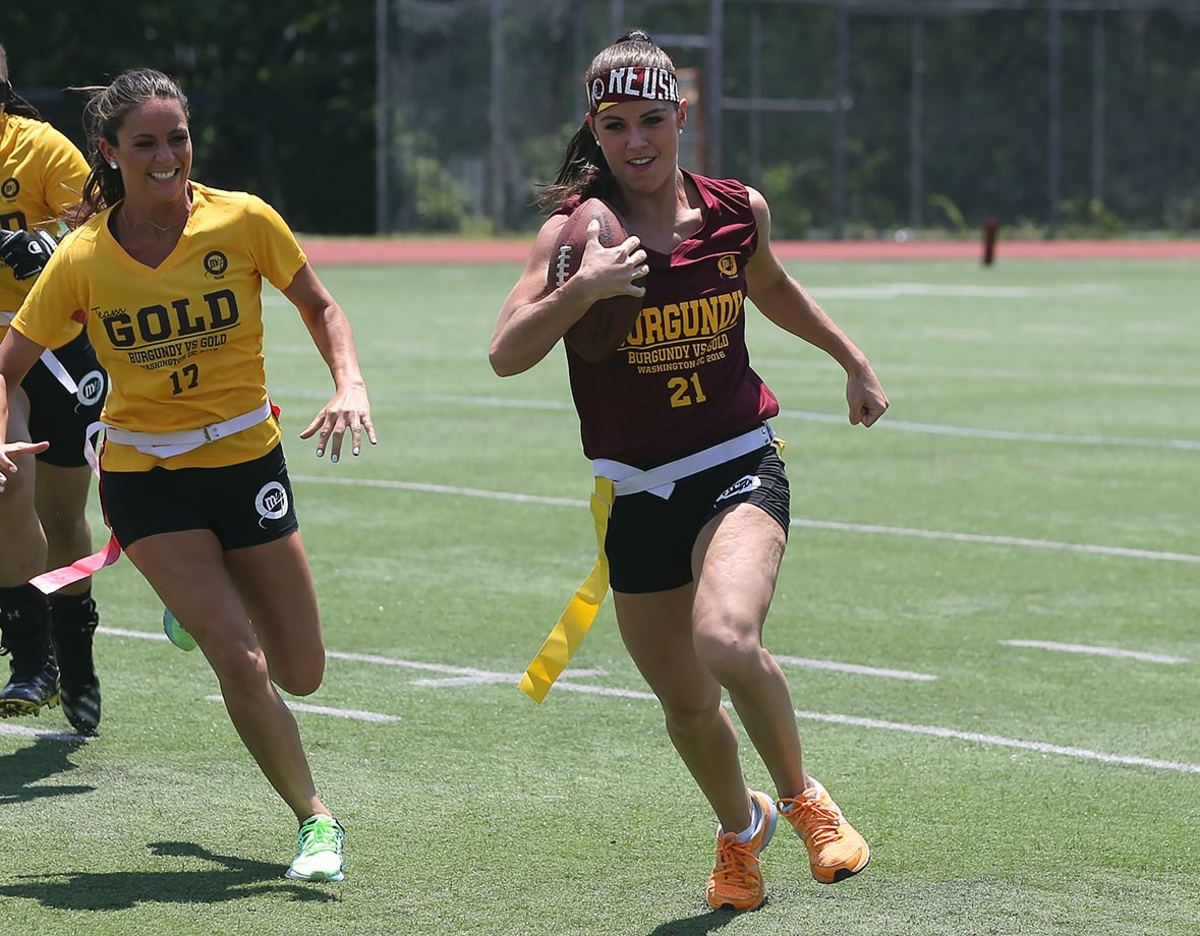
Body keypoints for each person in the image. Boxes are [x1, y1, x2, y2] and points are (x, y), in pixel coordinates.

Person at [490, 31, 889, 913]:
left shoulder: (737, 209)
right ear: (594, 129)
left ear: (683, 115)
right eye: (616, 124)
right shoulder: (576, 233)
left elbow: (770, 286)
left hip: (735, 461)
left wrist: (851, 359)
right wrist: (582, 289)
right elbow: (506, 353)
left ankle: (805, 800)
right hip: (635, 493)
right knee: (685, 703)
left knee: (726, 639)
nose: (636, 141)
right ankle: (743, 831)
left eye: (652, 119)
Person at [0, 68, 376, 882]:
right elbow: (10, 360)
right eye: (145, 143)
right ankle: (316, 821)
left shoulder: (243, 220)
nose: (167, 156)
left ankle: (198, 604)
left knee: (302, 671)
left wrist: (349, 382)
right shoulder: (84, 257)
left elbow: (319, 305)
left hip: (246, 463)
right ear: (109, 152)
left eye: (177, 138)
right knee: (238, 658)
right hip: (147, 478)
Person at [0, 44, 108, 734]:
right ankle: (31, 655)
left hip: (54, 342)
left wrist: (52, 246)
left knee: (65, 517)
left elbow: (104, 224)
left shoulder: (38, 147)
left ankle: (74, 647)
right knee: (8, 483)